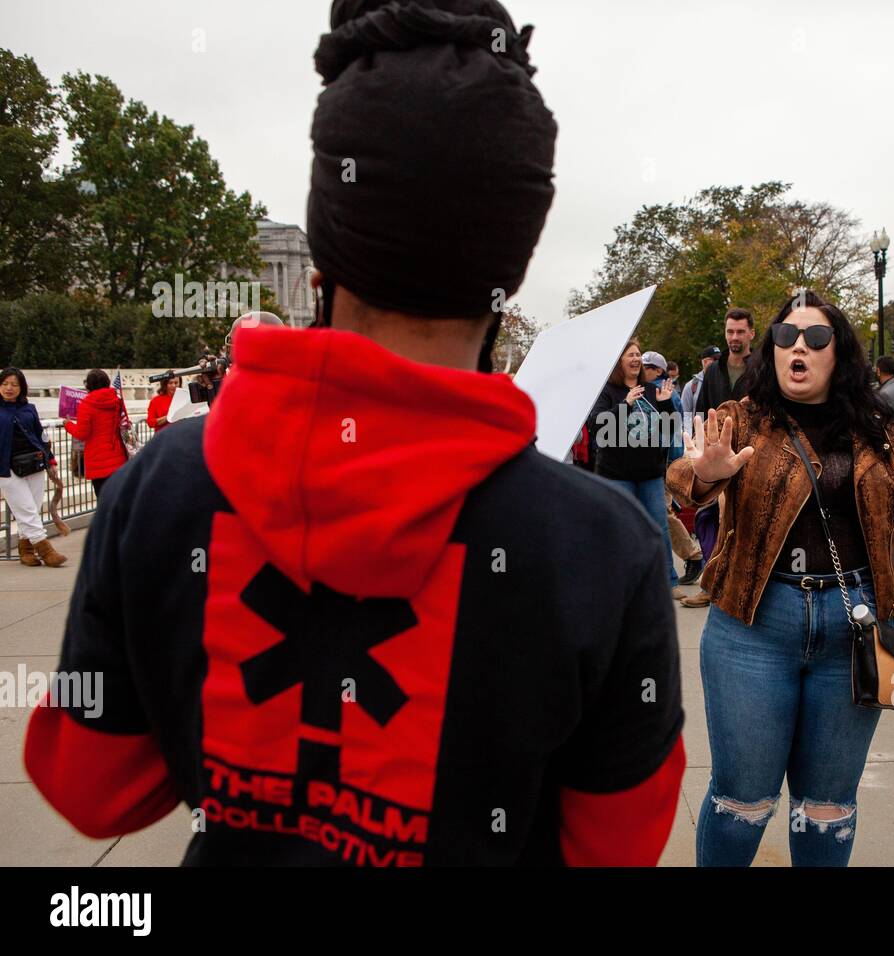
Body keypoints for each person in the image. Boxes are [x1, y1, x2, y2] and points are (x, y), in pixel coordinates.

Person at [26, 0, 684, 867]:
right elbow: (616, 848)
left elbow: (92, 783)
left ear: (323, 260)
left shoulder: (166, 484)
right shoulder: (605, 549)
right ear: (509, 273)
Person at [665, 290, 894, 867]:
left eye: (815, 337)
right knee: (741, 802)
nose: (798, 347)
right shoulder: (741, 417)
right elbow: (682, 477)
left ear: (838, 352)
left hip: (857, 629)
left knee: (829, 806)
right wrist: (703, 478)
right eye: (785, 337)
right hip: (753, 626)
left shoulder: (879, 432)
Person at [586, 340, 684, 597]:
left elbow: (670, 428)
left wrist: (664, 403)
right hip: (616, 475)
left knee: (658, 527)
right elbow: (597, 424)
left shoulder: (651, 390)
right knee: (620, 529)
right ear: (619, 361)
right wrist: (625, 404)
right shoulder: (607, 391)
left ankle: (667, 582)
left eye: (638, 354)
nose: (636, 359)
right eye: (630, 355)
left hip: (650, 474)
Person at [683, 309, 757, 608]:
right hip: (715, 459)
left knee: (747, 523)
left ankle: (745, 587)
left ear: (751, 333)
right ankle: (712, 584)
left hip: (750, 457)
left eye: (740, 332)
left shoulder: (763, 368)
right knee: (709, 519)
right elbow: (700, 412)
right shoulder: (713, 371)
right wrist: (696, 450)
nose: (735, 338)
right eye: (730, 332)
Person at [640, 350, 703, 584]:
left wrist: (672, 464)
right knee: (656, 512)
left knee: (662, 513)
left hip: (664, 461)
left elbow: (672, 430)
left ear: (658, 370)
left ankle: (693, 555)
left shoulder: (662, 392)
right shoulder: (652, 390)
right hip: (660, 460)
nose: (642, 370)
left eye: (647, 367)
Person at [0, 368, 67, 567]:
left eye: (14, 384)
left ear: (22, 388)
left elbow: (40, 435)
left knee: (31, 508)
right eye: (4, 384)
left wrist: (51, 460)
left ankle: (26, 550)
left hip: (34, 463)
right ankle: (46, 550)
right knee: (26, 509)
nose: (9, 388)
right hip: (6, 468)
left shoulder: (29, 408)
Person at [62, 368, 128, 498]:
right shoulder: (117, 400)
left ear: (88, 385)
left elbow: (81, 433)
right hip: (118, 457)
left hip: (97, 461)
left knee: (104, 503)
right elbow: (125, 423)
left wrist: (68, 424)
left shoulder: (86, 405)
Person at [681, 345, 720, 438]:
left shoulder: (723, 381)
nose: (718, 362)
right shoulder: (691, 385)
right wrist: (689, 439)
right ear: (705, 362)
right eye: (714, 359)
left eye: (719, 359)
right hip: (699, 436)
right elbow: (685, 414)